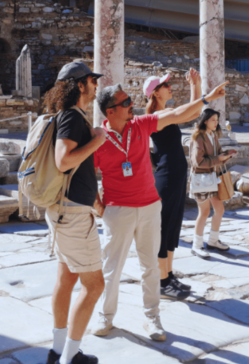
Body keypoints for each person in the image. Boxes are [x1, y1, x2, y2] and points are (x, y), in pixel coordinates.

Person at [92, 80, 227, 341]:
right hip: (118, 210)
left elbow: (178, 114)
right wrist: (101, 209)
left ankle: (152, 317)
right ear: (110, 111)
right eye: (125, 102)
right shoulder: (99, 138)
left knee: (151, 267)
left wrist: (205, 99)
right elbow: (86, 175)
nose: (132, 104)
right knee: (112, 268)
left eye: (131, 100)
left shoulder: (140, 124)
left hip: (149, 207)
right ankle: (105, 316)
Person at [43, 61, 106, 364]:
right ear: (80, 85)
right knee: (95, 286)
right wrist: (97, 141)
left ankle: (58, 352)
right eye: (92, 80)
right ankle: (69, 358)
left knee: (66, 279)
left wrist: (95, 200)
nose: (96, 85)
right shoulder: (71, 117)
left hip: (66, 210)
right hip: (73, 216)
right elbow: (64, 161)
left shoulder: (70, 116)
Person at [144, 68, 206, 298]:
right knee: (163, 228)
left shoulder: (166, 113)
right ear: (155, 93)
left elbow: (192, 113)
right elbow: (190, 112)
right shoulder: (158, 116)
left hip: (176, 176)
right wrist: (195, 87)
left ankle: (168, 276)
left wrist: (195, 85)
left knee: (172, 227)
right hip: (167, 177)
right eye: (165, 85)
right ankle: (161, 282)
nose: (169, 87)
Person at [189, 109, 234, 259]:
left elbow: (218, 154)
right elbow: (198, 162)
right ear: (205, 120)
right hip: (201, 179)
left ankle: (213, 241)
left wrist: (227, 155)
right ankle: (197, 245)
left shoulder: (213, 135)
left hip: (213, 178)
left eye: (217, 120)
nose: (216, 123)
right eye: (213, 120)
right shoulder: (198, 137)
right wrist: (218, 159)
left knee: (219, 209)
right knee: (204, 212)